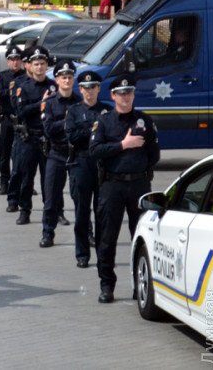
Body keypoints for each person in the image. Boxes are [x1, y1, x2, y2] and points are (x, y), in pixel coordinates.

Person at [91, 74, 160, 303]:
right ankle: (107, 285)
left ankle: (138, 284)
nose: (126, 96)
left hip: (139, 184)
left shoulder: (144, 121)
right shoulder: (104, 121)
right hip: (112, 184)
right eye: (121, 93)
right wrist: (123, 145)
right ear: (112, 96)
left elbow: (154, 154)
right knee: (107, 237)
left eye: (129, 92)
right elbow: (95, 150)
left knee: (140, 237)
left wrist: (139, 168)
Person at [65, 70, 109, 268]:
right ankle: (82, 253)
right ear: (80, 89)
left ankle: (103, 254)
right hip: (81, 164)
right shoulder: (74, 111)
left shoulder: (107, 111)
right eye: (85, 88)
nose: (89, 92)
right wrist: (94, 127)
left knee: (103, 214)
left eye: (93, 88)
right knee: (82, 212)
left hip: (101, 165)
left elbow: (112, 137)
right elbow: (72, 137)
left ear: (99, 88)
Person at [8, 46, 54, 225]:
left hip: (47, 138)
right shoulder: (24, 86)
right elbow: (21, 111)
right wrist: (41, 103)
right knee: (26, 178)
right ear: (31, 66)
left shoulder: (52, 86)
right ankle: (24, 210)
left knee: (48, 180)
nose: (40, 67)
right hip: (29, 138)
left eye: (43, 64)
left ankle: (51, 212)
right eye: (36, 64)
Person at [39, 60, 81, 248]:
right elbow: (48, 129)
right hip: (56, 153)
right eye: (63, 77)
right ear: (56, 80)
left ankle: (85, 234)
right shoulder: (49, 102)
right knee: (51, 198)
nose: (66, 80)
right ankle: (48, 233)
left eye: (69, 77)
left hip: (76, 154)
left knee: (80, 198)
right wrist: (68, 122)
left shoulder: (80, 102)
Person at [0, 46, 23, 195]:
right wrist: (10, 91)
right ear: (8, 61)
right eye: (12, 60)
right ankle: (4, 181)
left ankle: (24, 181)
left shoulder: (26, 76)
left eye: (18, 59)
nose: (15, 62)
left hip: (22, 120)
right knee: (4, 151)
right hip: (7, 119)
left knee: (22, 153)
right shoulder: (2, 76)